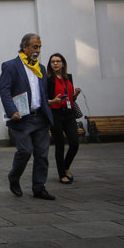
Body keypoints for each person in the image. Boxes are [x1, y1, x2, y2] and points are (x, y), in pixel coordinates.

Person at [0, 33, 55, 200]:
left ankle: (39, 187)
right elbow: (4, 90)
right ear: (24, 47)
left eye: (39, 47)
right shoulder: (10, 66)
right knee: (25, 151)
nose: (38, 50)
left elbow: (42, 93)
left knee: (42, 155)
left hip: (41, 118)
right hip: (21, 118)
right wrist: (11, 111)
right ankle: (14, 177)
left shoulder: (41, 68)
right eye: (34, 47)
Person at [47, 53, 81, 184]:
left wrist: (75, 95)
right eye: (53, 62)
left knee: (74, 143)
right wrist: (53, 101)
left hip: (69, 113)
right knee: (60, 145)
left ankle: (66, 166)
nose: (55, 63)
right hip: (55, 114)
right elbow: (45, 100)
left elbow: (69, 97)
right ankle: (62, 174)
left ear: (63, 63)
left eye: (58, 61)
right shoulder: (49, 80)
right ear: (50, 65)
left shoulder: (68, 77)